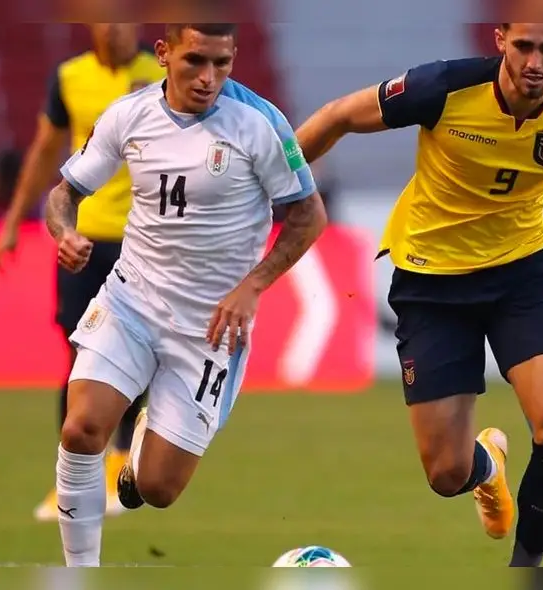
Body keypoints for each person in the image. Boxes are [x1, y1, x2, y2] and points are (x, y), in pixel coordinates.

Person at [293, 23, 543, 566]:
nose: (534, 61)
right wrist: (276, 188)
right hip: (430, 283)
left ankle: (527, 566)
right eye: (524, 46)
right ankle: (487, 466)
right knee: (445, 474)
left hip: (523, 276)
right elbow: (340, 116)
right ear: (501, 38)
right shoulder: (443, 88)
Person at [45, 23, 326, 567]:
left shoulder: (260, 124)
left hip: (210, 326)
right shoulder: (129, 115)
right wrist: (66, 233)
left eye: (222, 63)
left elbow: (308, 218)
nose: (209, 77)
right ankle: (80, 574)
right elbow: (64, 194)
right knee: (81, 429)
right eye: (196, 60)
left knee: (158, 488)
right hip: (132, 298)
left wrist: (253, 286)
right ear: (164, 53)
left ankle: (143, 450)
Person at [0, 24, 166, 521]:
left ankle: (119, 463)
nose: (117, 27)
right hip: (82, 241)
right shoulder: (70, 77)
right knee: (77, 357)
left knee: (142, 355)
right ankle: (68, 479)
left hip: (142, 241)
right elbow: (46, 150)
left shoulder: (161, 73)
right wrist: (13, 220)